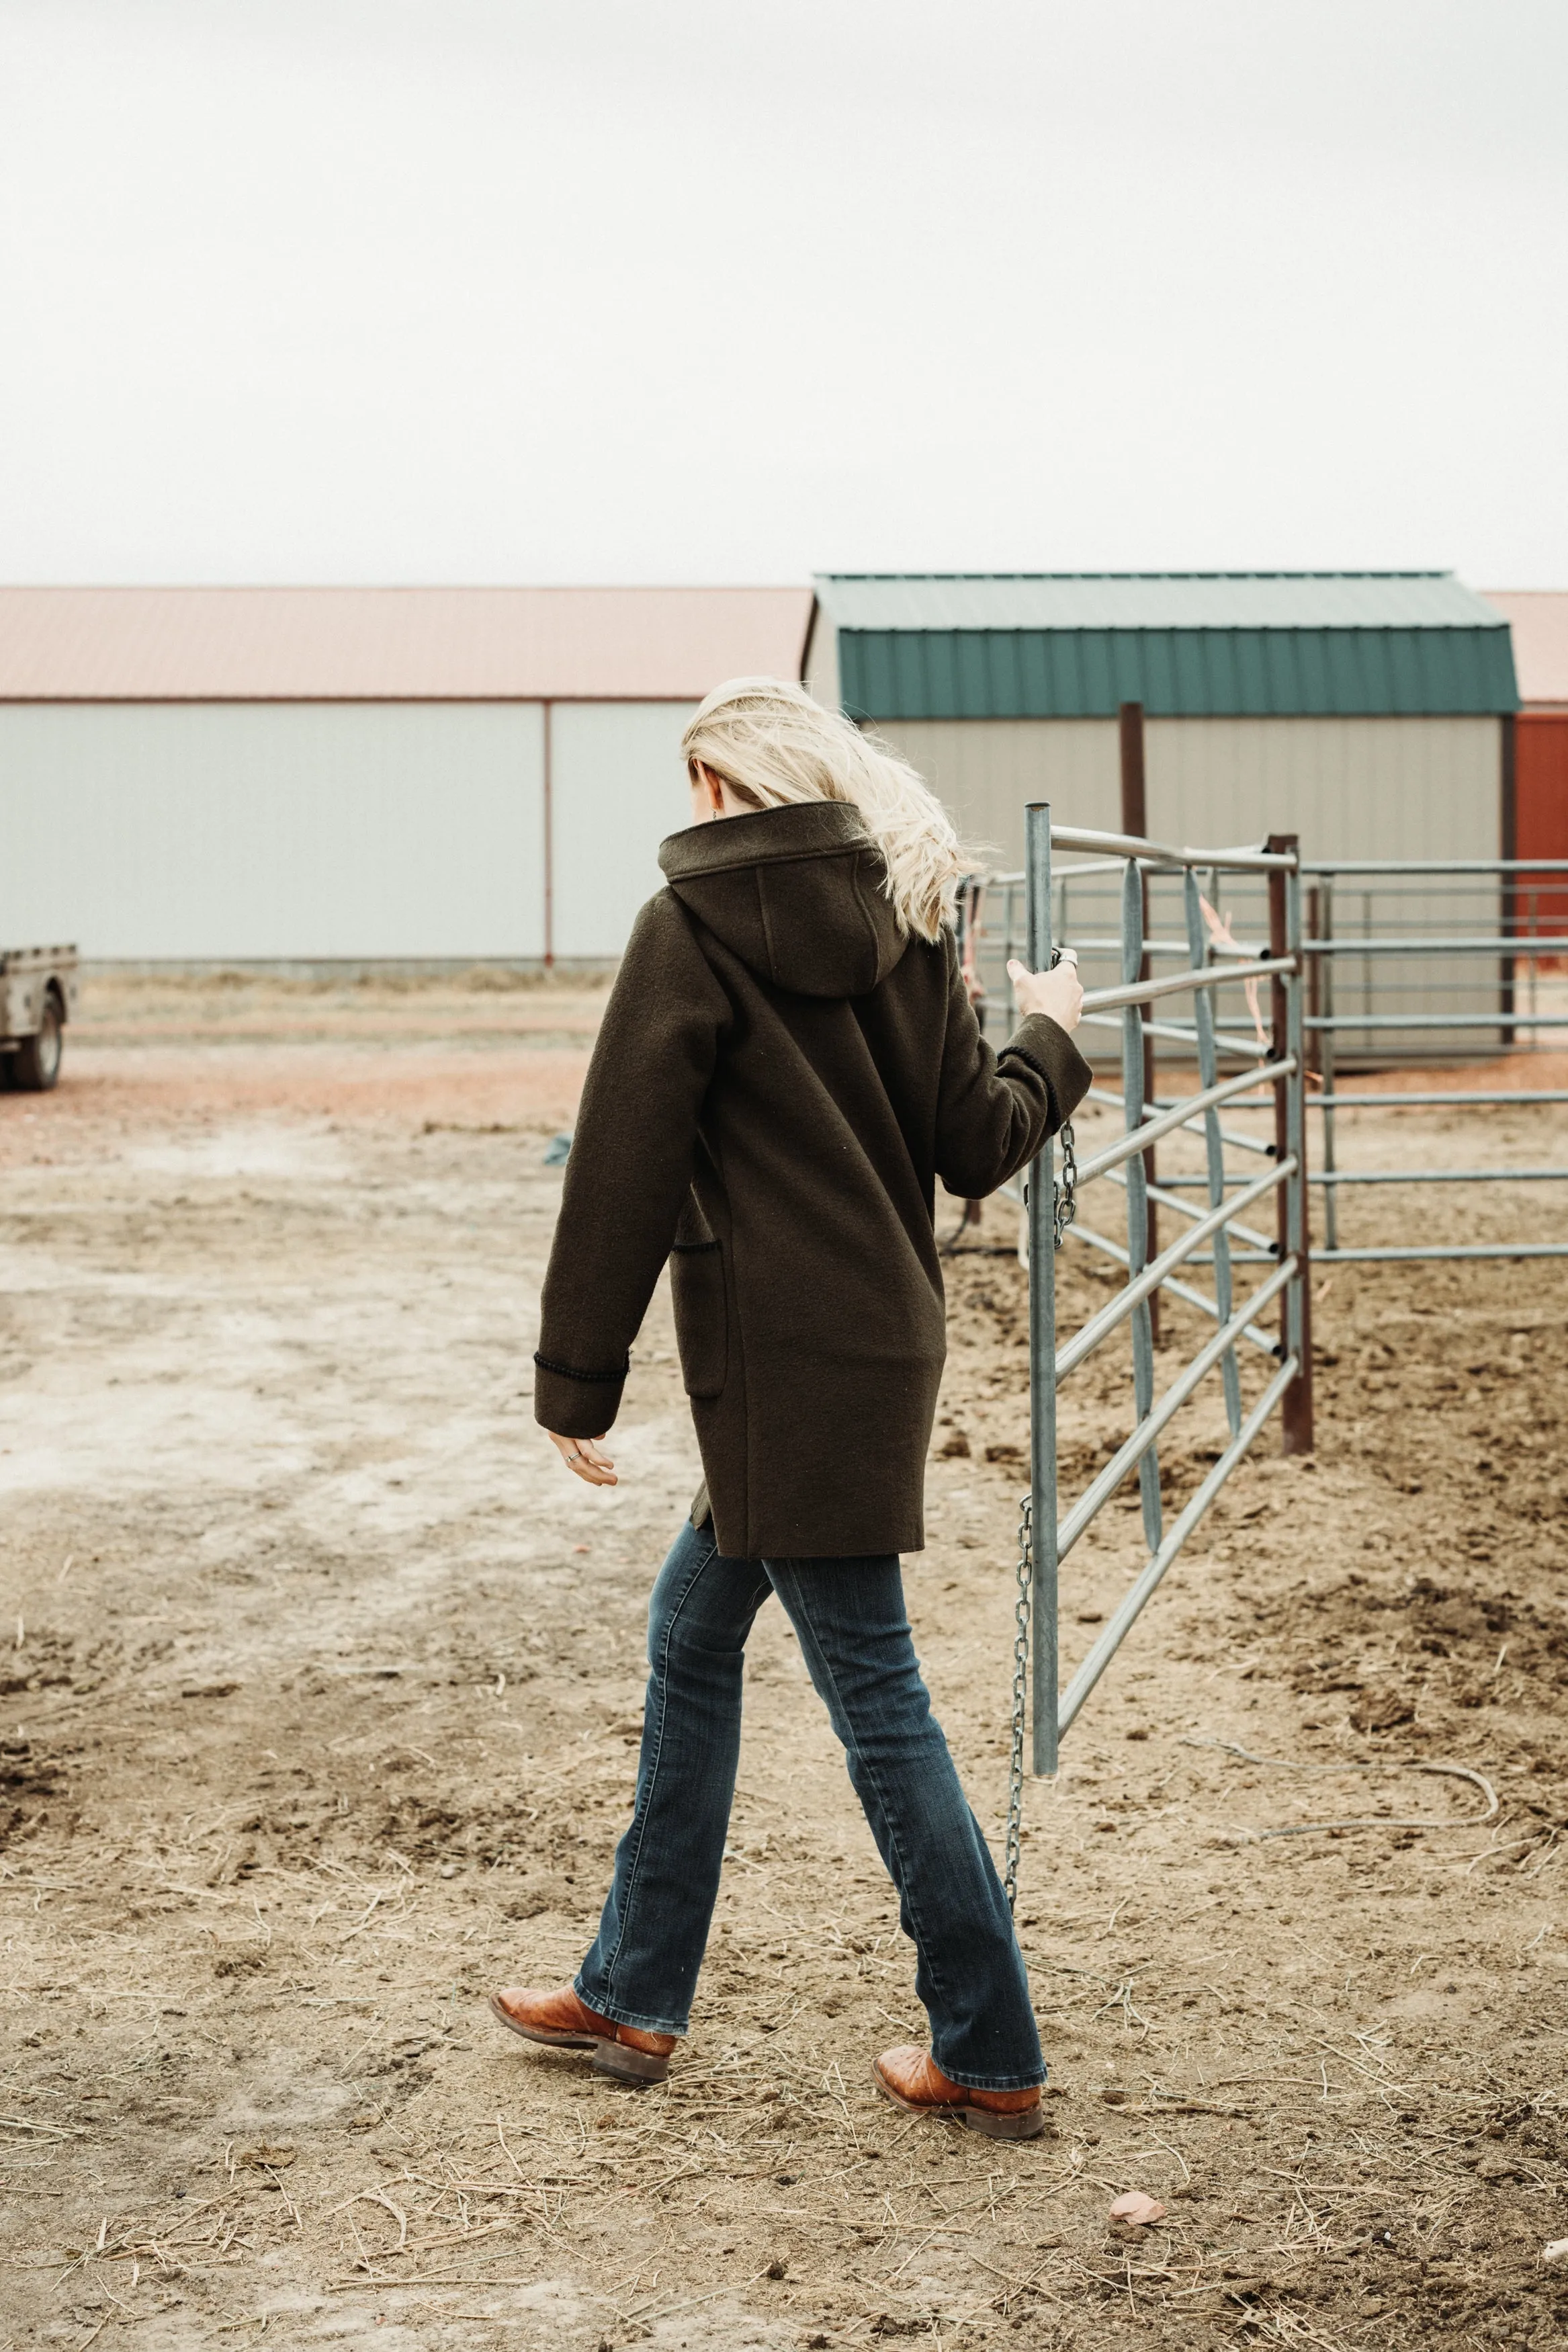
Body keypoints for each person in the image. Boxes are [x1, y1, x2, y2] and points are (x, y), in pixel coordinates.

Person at [490, 679, 1088, 2141]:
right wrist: (1051, 1036)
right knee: (692, 1635)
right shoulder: (910, 915)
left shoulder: (684, 930)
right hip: (875, 1348)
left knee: (876, 1696)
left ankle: (990, 2045)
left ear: (714, 779)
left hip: (773, 1369)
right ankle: (633, 1986)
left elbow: (621, 1165)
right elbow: (974, 1144)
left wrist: (577, 1377)